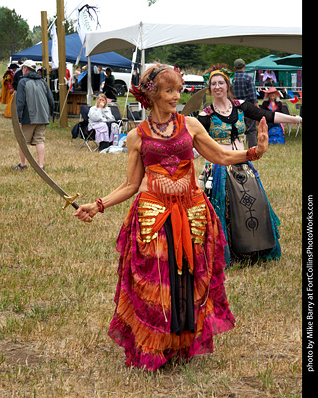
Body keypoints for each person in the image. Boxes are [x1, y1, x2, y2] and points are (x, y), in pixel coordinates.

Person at [74, 64, 270, 371]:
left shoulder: (190, 125)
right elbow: (130, 185)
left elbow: (219, 155)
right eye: (169, 91)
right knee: (156, 281)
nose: (176, 96)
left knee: (186, 278)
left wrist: (253, 152)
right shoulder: (136, 136)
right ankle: (155, 344)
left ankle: (181, 341)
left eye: (178, 90)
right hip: (153, 214)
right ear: (152, 94)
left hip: (192, 211)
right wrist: (97, 205)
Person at [197, 66, 302, 265]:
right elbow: (193, 139)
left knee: (256, 204)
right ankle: (229, 254)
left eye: (221, 83)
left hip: (244, 164)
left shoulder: (241, 106)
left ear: (228, 85)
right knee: (225, 211)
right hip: (219, 167)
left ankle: (256, 250)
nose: (218, 87)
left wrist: (297, 119)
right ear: (209, 89)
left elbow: (268, 116)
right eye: (214, 84)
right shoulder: (206, 114)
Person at [13, 60, 54, 171]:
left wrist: (19, 119)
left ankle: (22, 165)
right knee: (40, 140)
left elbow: (20, 102)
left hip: (28, 117)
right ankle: (40, 166)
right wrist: (50, 114)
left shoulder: (23, 82)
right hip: (43, 117)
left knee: (23, 141)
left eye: (22, 68)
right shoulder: (43, 82)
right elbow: (51, 100)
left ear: (25, 68)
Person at [232, 58, 258, 148]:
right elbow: (253, 95)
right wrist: (256, 108)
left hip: (234, 107)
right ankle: (253, 149)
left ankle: (235, 148)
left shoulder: (231, 79)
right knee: (252, 130)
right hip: (248, 107)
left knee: (234, 129)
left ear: (234, 67)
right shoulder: (248, 78)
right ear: (245, 66)